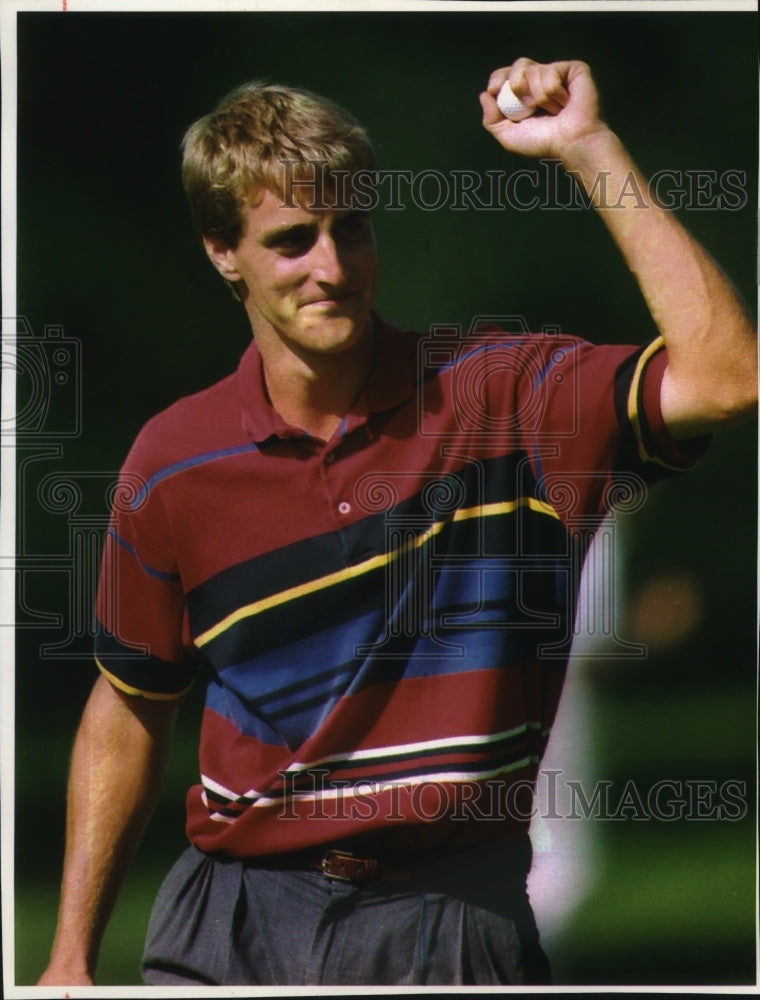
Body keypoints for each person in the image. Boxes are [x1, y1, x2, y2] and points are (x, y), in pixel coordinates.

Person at [38, 58, 756, 987]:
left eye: (353, 229)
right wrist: (66, 958)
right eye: (293, 240)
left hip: (449, 921)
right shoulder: (172, 462)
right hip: (228, 922)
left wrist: (589, 148)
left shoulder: (505, 396)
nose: (332, 268)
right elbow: (130, 704)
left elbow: (727, 375)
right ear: (223, 251)